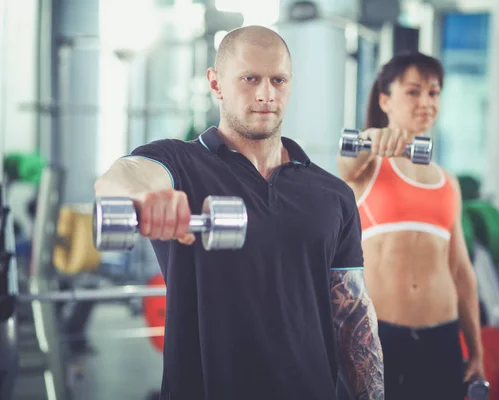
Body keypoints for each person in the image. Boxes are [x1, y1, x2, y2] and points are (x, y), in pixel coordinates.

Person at [95, 25, 384, 400]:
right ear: (216, 84)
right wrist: (146, 196)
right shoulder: (180, 163)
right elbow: (119, 177)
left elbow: (353, 321)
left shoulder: (332, 194)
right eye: (250, 78)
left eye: (278, 80)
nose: (266, 94)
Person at [336, 52, 485, 399]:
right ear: (385, 100)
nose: (426, 102)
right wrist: (372, 139)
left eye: (433, 93)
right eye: (414, 91)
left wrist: (476, 350)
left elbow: (461, 272)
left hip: (442, 337)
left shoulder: (448, 182)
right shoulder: (367, 168)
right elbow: (345, 164)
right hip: (380, 335)